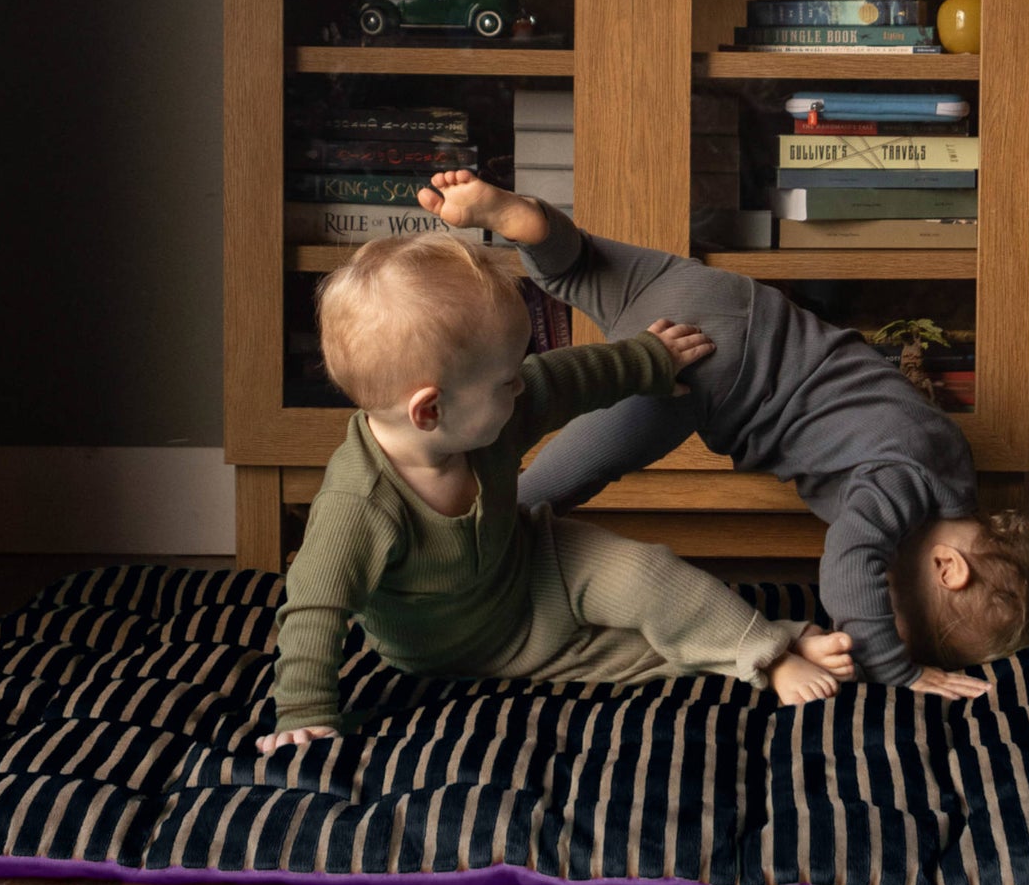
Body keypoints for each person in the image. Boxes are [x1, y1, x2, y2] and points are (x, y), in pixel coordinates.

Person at [415, 177, 1029, 697]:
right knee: (548, 490)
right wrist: (898, 668)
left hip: (733, 303)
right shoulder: (903, 488)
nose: (879, 616)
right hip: (711, 367)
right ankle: (449, 556)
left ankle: (523, 221)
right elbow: (848, 566)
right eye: (901, 612)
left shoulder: (951, 466)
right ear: (947, 567)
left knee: (585, 271)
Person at [261, 233, 855, 746]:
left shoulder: (484, 414)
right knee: (649, 652)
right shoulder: (358, 505)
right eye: (506, 380)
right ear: (428, 410)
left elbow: (567, 379)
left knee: (644, 575)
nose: (521, 386)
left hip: (531, 560)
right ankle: (765, 651)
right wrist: (305, 711)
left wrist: (648, 358)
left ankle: (766, 648)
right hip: (463, 650)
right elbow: (316, 608)